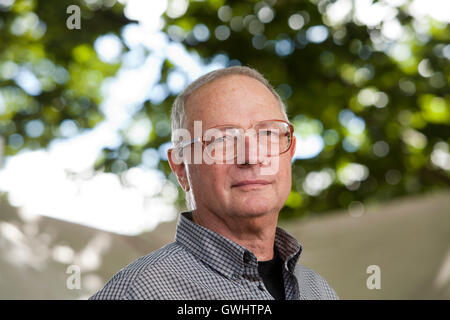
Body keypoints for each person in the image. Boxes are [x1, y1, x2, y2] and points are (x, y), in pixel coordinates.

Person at [89, 66, 338, 300]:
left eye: (267, 133)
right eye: (222, 139)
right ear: (181, 168)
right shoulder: (140, 292)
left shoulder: (317, 290)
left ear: (290, 150)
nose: (251, 157)